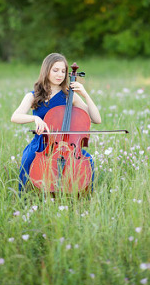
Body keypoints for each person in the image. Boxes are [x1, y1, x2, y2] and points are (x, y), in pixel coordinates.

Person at [11, 53, 102, 192]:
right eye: (55, 70)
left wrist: (85, 94)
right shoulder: (33, 95)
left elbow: (96, 119)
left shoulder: (69, 95)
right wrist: (35, 118)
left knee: (88, 160)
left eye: (63, 71)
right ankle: (22, 198)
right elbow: (15, 116)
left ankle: (86, 195)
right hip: (41, 144)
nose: (60, 74)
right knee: (27, 160)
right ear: (46, 70)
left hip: (67, 145)